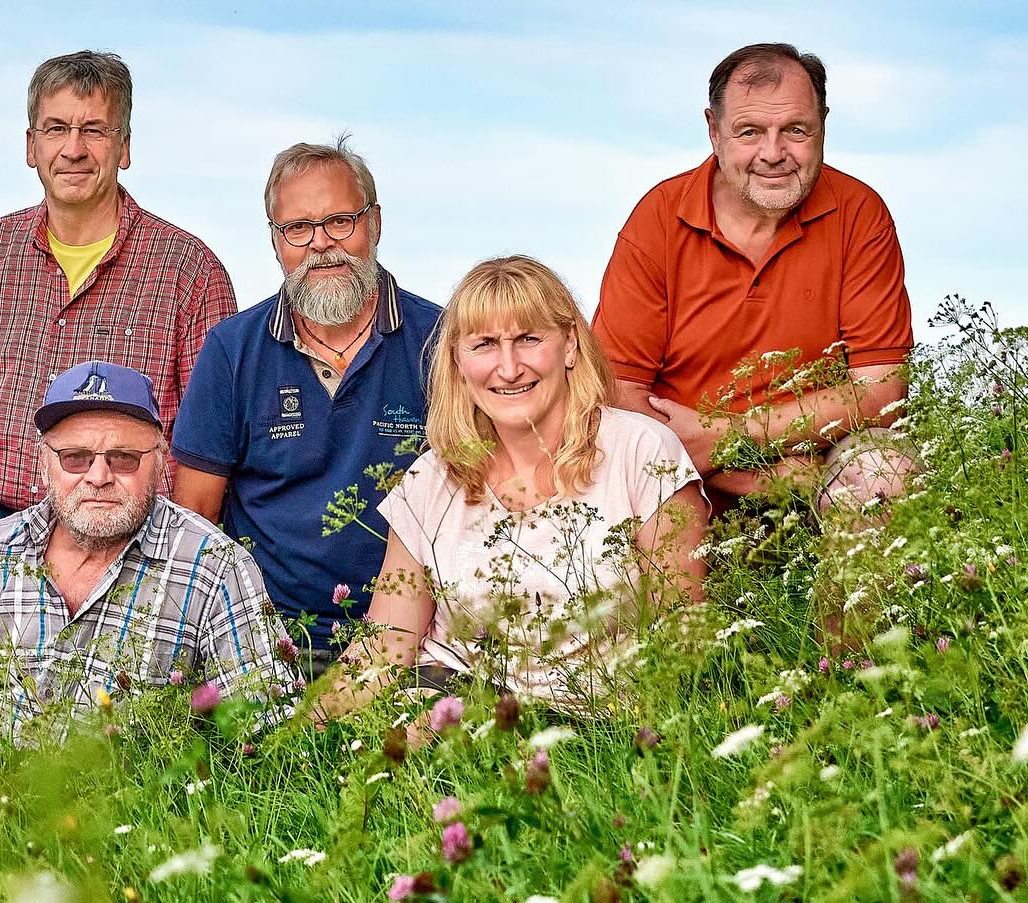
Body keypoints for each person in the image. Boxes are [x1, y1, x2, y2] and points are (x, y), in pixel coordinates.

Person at [319, 256, 708, 719]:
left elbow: (683, 636)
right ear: (458, 361)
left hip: (596, 720)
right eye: (484, 344)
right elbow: (384, 648)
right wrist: (293, 737)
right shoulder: (431, 478)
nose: (508, 368)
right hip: (452, 702)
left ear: (569, 345)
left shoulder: (642, 451)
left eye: (528, 339)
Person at [0, 361, 299, 739]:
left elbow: (269, 732)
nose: (99, 476)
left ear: (161, 460)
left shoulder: (215, 567)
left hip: (131, 808)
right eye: (75, 458)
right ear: (44, 462)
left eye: (124, 458)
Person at [592, 43, 915, 516]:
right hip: (681, 467)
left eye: (795, 130)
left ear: (823, 124)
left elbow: (883, 392)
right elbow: (617, 392)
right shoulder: (658, 218)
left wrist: (728, 438)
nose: (773, 153)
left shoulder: (859, 213)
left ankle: (841, 572)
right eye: (750, 132)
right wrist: (745, 475)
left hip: (816, 465)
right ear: (714, 130)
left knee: (883, 474)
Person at [0, 51, 236, 516]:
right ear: (31, 146)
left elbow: (210, 445)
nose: (74, 149)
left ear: (124, 147)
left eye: (94, 130)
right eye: (56, 128)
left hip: (125, 530)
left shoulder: (190, 271)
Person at [171, 138, 440, 676]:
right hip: (269, 641)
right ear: (276, 241)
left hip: (412, 643)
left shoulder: (442, 340)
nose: (322, 244)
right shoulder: (232, 350)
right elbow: (195, 517)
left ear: (375, 223)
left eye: (340, 221)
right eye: (298, 228)